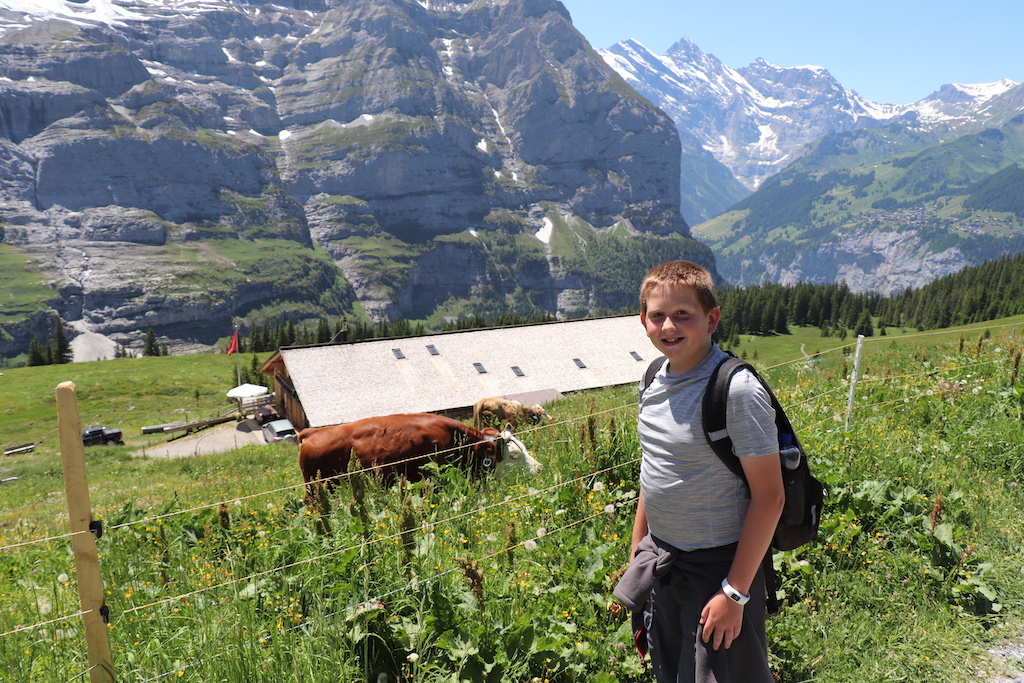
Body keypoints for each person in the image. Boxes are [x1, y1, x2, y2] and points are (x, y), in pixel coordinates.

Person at [620, 260, 785, 683]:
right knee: (670, 670)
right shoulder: (653, 378)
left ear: (711, 320)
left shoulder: (736, 390)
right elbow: (653, 469)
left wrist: (734, 592)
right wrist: (639, 549)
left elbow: (771, 497)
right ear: (643, 321)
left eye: (683, 315)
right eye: (657, 315)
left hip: (719, 569)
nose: (668, 325)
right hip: (664, 562)